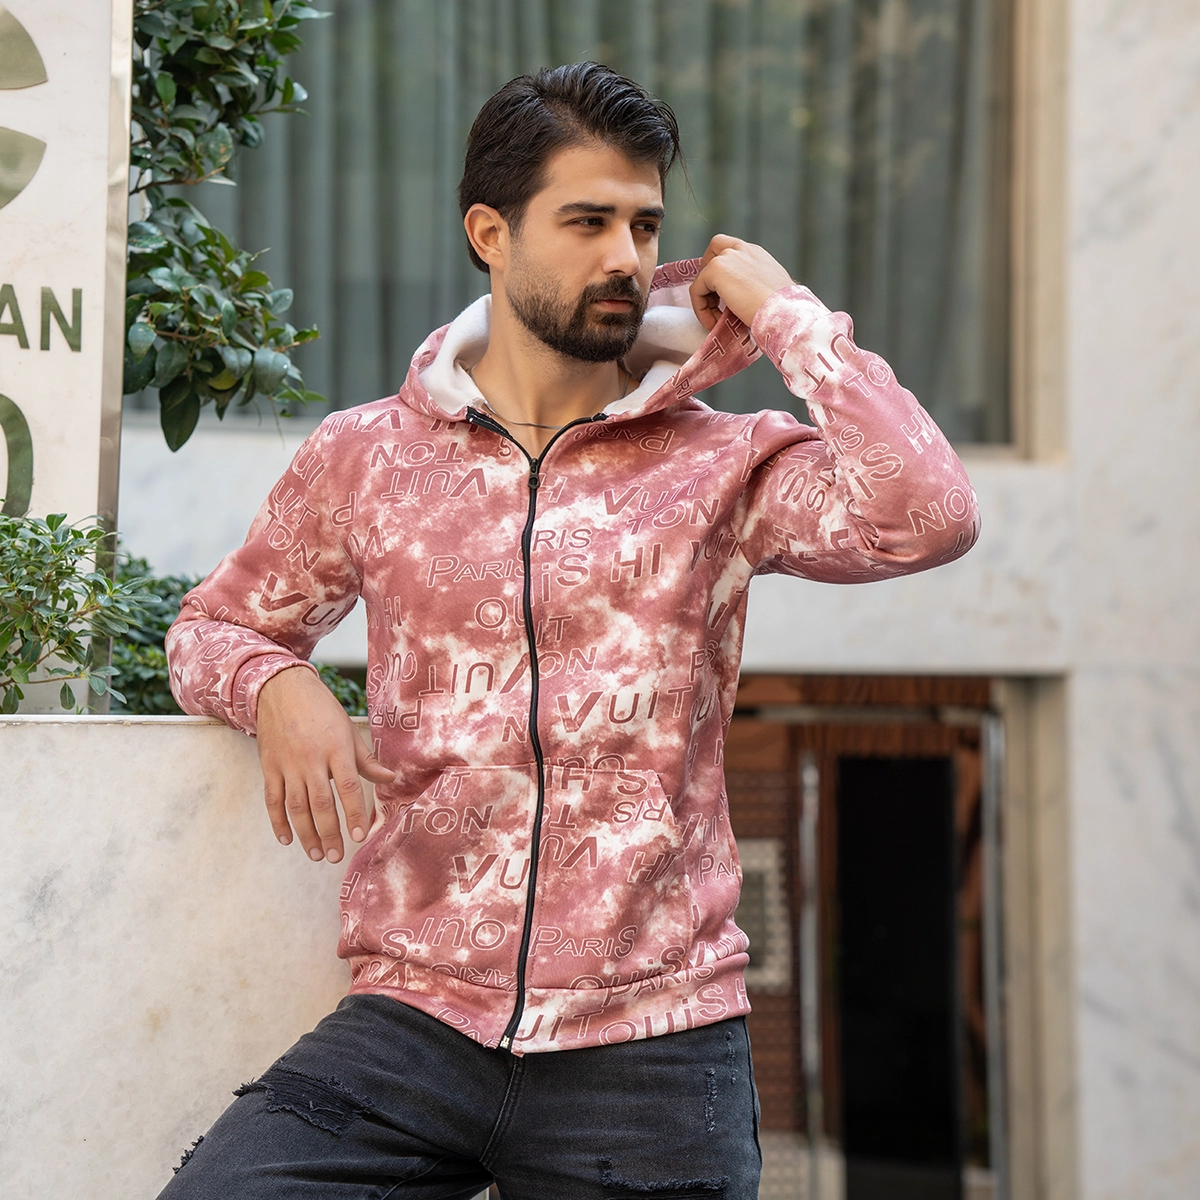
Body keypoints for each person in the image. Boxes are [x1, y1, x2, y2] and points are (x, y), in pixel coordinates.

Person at [161, 62, 979, 1200]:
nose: (626, 258)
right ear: (489, 234)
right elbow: (209, 629)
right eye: (587, 221)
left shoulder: (721, 463)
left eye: (644, 226)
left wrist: (788, 315)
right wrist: (276, 685)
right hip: (418, 1020)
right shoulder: (367, 457)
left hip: (653, 1043)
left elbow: (928, 516)